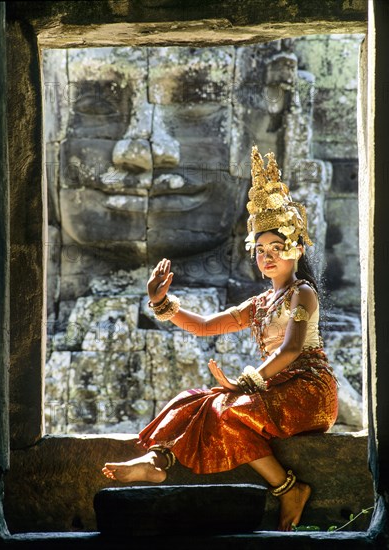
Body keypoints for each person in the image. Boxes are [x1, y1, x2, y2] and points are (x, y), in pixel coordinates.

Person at [102, 146, 339, 531]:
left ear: (295, 249)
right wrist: (161, 303)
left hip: (310, 392)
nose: (267, 257)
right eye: (260, 250)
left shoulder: (302, 293)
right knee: (193, 399)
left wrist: (245, 382)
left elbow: (292, 348)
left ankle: (288, 488)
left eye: (276, 249)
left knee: (227, 407)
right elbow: (206, 325)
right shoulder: (261, 301)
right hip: (274, 389)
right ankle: (157, 461)